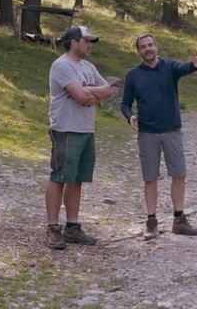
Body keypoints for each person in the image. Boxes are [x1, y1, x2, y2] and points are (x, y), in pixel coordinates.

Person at [121, 33, 197, 239]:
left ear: (156, 46)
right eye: (143, 47)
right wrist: (129, 116)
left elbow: (185, 68)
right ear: (138, 51)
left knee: (179, 173)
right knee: (150, 177)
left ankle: (179, 219)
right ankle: (151, 221)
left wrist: (194, 65)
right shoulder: (133, 75)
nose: (147, 49)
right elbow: (125, 103)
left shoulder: (170, 68)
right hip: (147, 133)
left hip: (172, 130)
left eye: (150, 45)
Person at [44, 25, 118, 250]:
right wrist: (88, 94)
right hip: (66, 128)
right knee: (59, 176)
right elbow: (81, 96)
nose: (89, 45)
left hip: (86, 129)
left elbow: (108, 90)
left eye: (90, 41)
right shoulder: (62, 65)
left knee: (77, 178)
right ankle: (52, 228)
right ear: (73, 42)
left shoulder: (87, 67)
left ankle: (73, 227)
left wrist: (88, 93)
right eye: (86, 41)